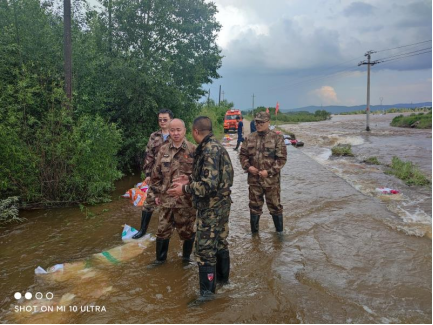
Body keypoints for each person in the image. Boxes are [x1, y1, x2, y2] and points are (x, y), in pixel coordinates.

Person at [168, 117, 234, 297]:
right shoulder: (215, 146)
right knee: (220, 242)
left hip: (211, 208)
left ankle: (207, 296)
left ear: (195, 131)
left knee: (205, 251)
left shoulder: (209, 151)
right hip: (221, 205)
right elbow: (213, 178)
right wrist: (189, 180)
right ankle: (223, 283)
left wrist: (185, 189)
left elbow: (208, 186)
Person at [149, 119, 197, 264]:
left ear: (184, 131)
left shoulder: (193, 150)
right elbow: (155, 174)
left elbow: (200, 176)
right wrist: (155, 194)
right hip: (166, 200)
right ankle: (160, 261)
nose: (175, 133)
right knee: (162, 231)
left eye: (178, 130)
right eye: (172, 130)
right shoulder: (163, 150)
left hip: (186, 202)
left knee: (187, 233)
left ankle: (186, 259)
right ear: (168, 131)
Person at [239, 111, 287, 235]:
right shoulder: (249, 138)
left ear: (268, 122)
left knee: (275, 207)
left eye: (261, 122)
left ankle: (279, 235)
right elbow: (242, 155)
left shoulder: (277, 138)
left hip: (271, 182)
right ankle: (255, 236)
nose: (258, 124)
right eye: (257, 122)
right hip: (254, 181)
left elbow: (281, 159)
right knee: (254, 208)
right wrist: (248, 167)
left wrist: (269, 172)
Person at [133, 109, 174, 240]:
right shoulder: (154, 136)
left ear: (170, 120)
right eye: (160, 119)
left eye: (165, 119)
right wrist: (148, 174)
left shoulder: (176, 135)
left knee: (170, 204)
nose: (162, 122)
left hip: (171, 177)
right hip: (156, 176)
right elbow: (148, 155)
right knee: (148, 203)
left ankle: (169, 232)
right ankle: (142, 230)